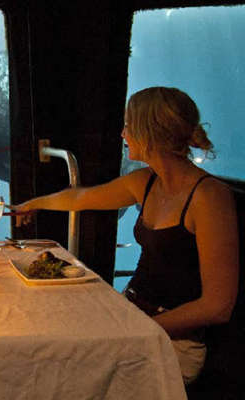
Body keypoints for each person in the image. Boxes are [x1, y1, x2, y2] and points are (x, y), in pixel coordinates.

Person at [13, 86, 239, 384]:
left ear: (150, 131)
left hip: (172, 342)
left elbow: (217, 306)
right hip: (131, 316)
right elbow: (81, 199)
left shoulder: (209, 198)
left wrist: (138, 327)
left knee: (60, 374)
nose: (122, 133)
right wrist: (33, 204)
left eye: (128, 125)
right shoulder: (144, 182)